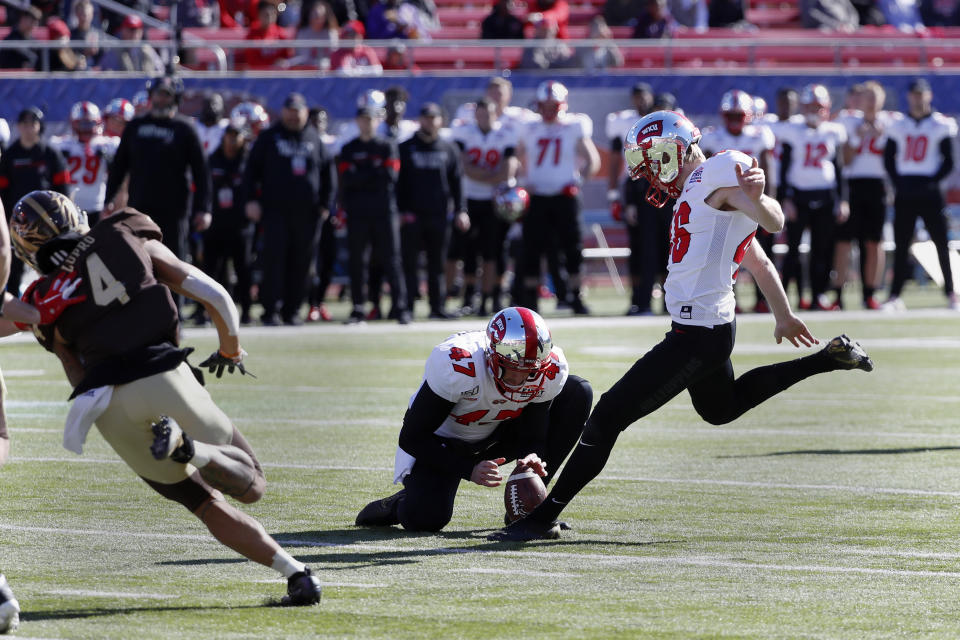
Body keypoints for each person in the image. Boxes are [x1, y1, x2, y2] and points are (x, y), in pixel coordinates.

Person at [488, 111, 875, 542]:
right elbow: (758, 260)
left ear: (671, 150)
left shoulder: (716, 173)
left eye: (651, 162)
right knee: (720, 408)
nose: (649, 175)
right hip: (705, 330)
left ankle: (540, 520)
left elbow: (773, 221)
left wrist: (760, 199)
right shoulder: (698, 189)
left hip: (699, 335)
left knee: (606, 418)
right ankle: (826, 359)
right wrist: (782, 314)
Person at [6, 189, 323, 606]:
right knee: (252, 484)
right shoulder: (121, 231)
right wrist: (230, 348)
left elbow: (75, 371)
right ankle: (194, 450)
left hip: (106, 409)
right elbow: (212, 294)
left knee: (203, 504)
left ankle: (295, 574)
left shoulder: (39, 298)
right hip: (159, 374)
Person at [355, 306, 592, 532]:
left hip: (499, 433)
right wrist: (468, 469)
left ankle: (530, 509)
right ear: (493, 356)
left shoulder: (550, 369)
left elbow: (534, 432)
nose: (521, 379)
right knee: (426, 518)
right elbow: (412, 437)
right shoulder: (459, 363)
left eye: (530, 371)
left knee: (577, 392)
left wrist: (532, 454)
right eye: (513, 368)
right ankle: (396, 504)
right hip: (446, 442)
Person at [243, 92, 336, 325]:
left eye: (298, 112)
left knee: (302, 264)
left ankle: (292, 310)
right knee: (274, 261)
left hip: (308, 214)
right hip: (275, 211)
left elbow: (328, 174)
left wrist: (325, 204)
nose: (294, 116)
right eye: (290, 111)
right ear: (283, 112)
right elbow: (251, 172)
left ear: (306, 113)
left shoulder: (314, 138)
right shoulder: (269, 137)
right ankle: (271, 311)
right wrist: (250, 200)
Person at [105, 75, 212, 270]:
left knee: (173, 262)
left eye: (166, 95)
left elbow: (201, 172)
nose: (161, 100)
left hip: (175, 209)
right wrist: (109, 199)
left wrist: (203, 208)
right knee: (138, 261)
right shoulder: (135, 126)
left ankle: (174, 302)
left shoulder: (185, 128)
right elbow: (119, 167)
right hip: (139, 206)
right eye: (158, 94)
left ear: (175, 98)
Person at [517, 81, 600, 314]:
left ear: (562, 105)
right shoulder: (528, 126)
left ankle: (575, 296)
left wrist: (578, 181)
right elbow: (516, 157)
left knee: (572, 249)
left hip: (565, 196)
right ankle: (531, 301)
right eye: (545, 106)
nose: (548, 111)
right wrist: (521, 182)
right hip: (537, 197)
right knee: (532, 249)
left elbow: (592, 160)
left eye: (553, 106)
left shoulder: (575, 125)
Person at [883, 78, 959, 311]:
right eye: (914, 94)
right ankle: (895, 295)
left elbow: (948, 161)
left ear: (929, 96)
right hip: (906, 187)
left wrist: (933, 182)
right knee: (902, 242)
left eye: (921, 94)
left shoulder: (940, 124)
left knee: (941, 242)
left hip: (930, 188)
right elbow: (888, 159)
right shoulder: (899, 124)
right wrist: (899, 184)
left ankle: (951, 293)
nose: (917, 98)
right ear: (909, 97)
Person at [700, 90, 776, 313]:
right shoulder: (712, 137)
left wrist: (768, 201)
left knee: (761, 255)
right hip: (724, 205)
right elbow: (703, 173)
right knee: (722, 255)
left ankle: (763, 300)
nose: (734, 121)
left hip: (753, 202)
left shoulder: (760, 135)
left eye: (738, 116)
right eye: (730, 116)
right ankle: (728, 300)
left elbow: (768, 171)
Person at [338, 90, 409, 324]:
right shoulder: (349, 148)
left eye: (371, 119)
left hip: (384, 212)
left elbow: (389, 177)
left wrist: (362, 175)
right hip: (358, 212)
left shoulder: (387, 146)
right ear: (357, 121)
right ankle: (358, 307)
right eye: (363, 119)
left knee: (392, 259)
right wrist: (372, 173)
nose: (367, 123)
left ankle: (400, 307)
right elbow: (347, 178)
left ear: (377, 120)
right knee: (358, 260)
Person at [776, 84, 848, 310]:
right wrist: (785, 199)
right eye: (811, 106)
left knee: (822, 249)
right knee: (793, 250)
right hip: (798, 196)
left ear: (826, 108)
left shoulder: (833, 131)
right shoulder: (792, 131)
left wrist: (842, 199)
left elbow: (838, 168)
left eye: (819, 107)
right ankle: (785, 298)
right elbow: (784, 168)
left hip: (825, 196)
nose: (815, 111)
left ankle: (818, 295)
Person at [450, 97, 521, 316]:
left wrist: (480, 174)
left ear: (495, 114)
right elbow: (463, 166)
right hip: (470, 199)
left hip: (495, 200)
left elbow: (508, 170)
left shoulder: (506, 133)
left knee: (494, 251)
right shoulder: (464, 132)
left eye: (488, 114)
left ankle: (492, 298)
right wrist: (491, 175)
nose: (483, 117)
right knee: (470, 251)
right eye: (480, 114)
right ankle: (470, 296)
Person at [398, 103, 465, 319]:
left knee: (437, 265)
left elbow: (457, 183)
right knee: (409, 264)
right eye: (426, 117)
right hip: (412, 216)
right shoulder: (406, 148)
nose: (430, 121)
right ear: (420, 120)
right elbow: (396, 183)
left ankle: (437, 307)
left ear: (441, 121)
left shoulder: (449, 149)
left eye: (434, 118)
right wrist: (400, 211)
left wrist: (461, 210)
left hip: (439, 215)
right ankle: (406, 307)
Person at [836, 81, 898, 310]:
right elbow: (846, 159)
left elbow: (893, 159)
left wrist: (880, 135)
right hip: (852, 184)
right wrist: (858, 136)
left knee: (874, 241)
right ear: (858, 100)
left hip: (877, 185)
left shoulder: (890, 122)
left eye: (875, 97)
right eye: (867, 97)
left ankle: (870, 293)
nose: (871, 101)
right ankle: (838, 295)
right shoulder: (848, 120)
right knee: (843, 241)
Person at [0, 107, 70, 295]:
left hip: (48, 223)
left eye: (33, 124)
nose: (28, 128)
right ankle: (15, 311)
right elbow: (3, 191)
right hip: (18, 221)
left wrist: (63, 220)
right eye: (24, 124)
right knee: (14, 269)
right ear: (19, 127)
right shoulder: (10, 155)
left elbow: (63, 190)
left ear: (40, 126)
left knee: (52, 266)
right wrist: (6, 221)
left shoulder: (51, 154)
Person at [605, 82, 660, 315]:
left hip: (661, 185)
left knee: (663, 248)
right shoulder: (623, 122)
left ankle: (666, 302)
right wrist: (615, 194)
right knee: (639, 248)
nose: (641, 101)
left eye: (644, 97)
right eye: (637, 97)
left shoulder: (662, 121)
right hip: (637, 187)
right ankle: (640, 299)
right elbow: (616, 158)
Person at [206, 121, 254, 325]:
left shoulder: (248, 162)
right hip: (216, 223)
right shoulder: (212, 160)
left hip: (240, 224)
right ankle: (207, 312)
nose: (233, 140)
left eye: (237, 136)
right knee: (212, 271)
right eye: (230, 135)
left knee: (244, 269)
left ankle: (246, 311)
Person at [50, 101, 119, 228]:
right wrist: (59, 159)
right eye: (83, 123)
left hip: (97, 206)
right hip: (69, 205)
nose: (87, 128)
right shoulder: (62, 145)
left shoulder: (108, 145)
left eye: (90, 123)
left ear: (98, 123)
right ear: (74, 124)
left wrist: (109, 161)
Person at [97, 14, 165, 73]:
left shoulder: (146, 49)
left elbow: (160, 70)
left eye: (136, 30)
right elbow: (106, 73)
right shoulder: (115, 50)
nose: (134, 34)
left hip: (144, 87)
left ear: (141, 32)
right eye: (130, 30)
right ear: (123, 30)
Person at [240, 0, 295, 68]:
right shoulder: (252, 34)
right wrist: (271, 64)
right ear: (259, 15)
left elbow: (287, 57)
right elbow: (252, 62)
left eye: (272, 14)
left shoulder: (281, 34)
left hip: (277, 75)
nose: (269, 18)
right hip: (259, 76)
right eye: (266, 15)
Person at [0, 6, 41, 70]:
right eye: (31, 21)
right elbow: (31, 57)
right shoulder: (11, 39)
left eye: (35, 22)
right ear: (23, 19)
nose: (34, 25)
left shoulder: (33, 40)